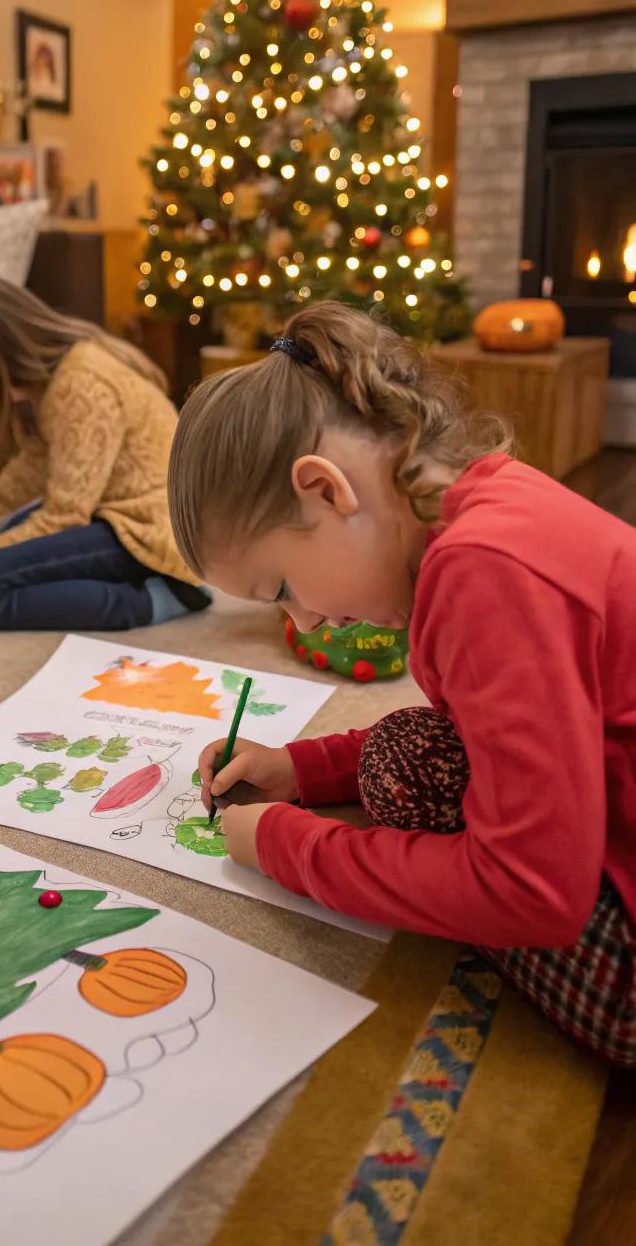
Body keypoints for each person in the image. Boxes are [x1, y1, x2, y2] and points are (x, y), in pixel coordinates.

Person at [171, 302, 636, 1066]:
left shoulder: (484, 572)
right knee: (403, 753)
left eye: (283, 583)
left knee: (467, 877)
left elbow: (533, 895)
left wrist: (293, 849)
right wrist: (301, 770)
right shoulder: (480, 507)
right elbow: (481, 735)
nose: (309, 623)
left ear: (324, 490)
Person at [0, 271, 210, 632]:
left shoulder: (81, 386)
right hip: (120, 513)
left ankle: (162, 596)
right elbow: (37, 469)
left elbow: (64, 517)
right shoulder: (63, 374)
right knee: (8, 537)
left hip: (153, 530)